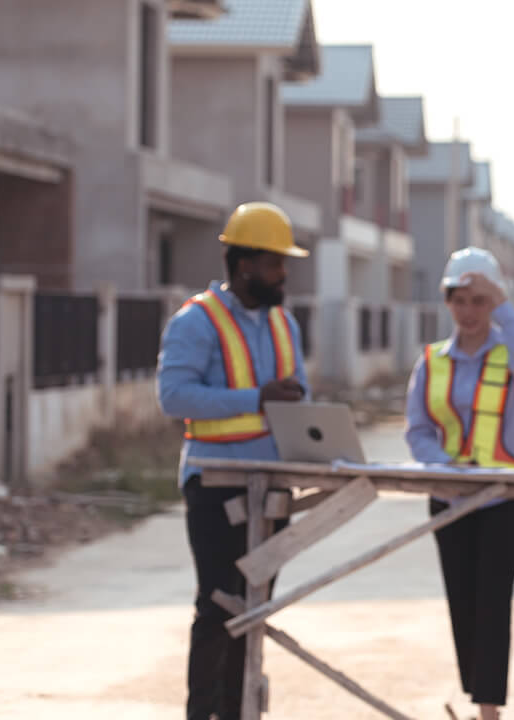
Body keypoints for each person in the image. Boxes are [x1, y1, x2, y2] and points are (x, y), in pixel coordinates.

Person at [157, 201, 311, 720]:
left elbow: (299, 395)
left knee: (256, 608)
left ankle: (240, 712)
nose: (283, 272)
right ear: (245, 264)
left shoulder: (285, 323)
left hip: (272, 484)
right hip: (217, 484)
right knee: (218, 606)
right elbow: (174, 396)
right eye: (275, 263)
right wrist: (255, 399)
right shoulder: (196, 321)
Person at [404, 247, 514, 720]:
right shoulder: (431, 362)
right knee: (461, 603)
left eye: (479, 301)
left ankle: (488, 711)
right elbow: (418, 430)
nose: (469, 311)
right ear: (447, 302)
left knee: (491, 604)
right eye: (460, 300)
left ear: (493, 304)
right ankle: (477, 696)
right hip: (448, 498)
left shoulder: (512, 357)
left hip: (502, 500)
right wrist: (444, 468)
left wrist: (500, 298)